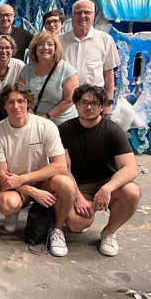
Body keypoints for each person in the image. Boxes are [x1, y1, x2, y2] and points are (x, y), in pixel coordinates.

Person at [0, 82, 75, 257]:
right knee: (7, 204)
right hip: (13, 184)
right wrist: (31, 191)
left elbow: (60, 165)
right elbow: (0, 174)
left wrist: (24, 179)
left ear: (28, 102)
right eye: (10, 102)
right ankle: (14, 211)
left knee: (65, 183)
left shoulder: (46, 126)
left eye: (20, 101)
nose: (16, 106)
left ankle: (57, 230)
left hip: (42, 181)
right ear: (3, 105)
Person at [60, 84, 140, 256]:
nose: (89, 107)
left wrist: (107, 188)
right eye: (84, 102)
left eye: (95, 103)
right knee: (76, 224)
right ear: (76, 105)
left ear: (102, 106)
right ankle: (84, 210)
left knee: (132, 192)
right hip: (80, 184)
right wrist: (79, 198)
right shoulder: (64, 130)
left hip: (107, 181)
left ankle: (109, 232)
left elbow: (131, 168)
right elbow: (64, 168)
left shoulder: (113, 131)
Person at [59, 0, 120, 117]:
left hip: (94, 101)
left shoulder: (105, 40)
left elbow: (108, 73)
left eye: (87, 12)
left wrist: (108, 103)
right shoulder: (60, 41)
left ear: (93, 15)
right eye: (78, 12)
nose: (82, 16)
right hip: (65, 101)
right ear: (72, 15)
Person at [18, 31, 78, 125]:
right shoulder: (26, 69)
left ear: (56, 48)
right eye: (40, 44)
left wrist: (46, 116)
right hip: (33, 120)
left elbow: (69, 100)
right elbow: (20, 94)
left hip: (62, 123)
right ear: (35, 48)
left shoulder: (67, 71)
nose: (45, 47)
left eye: (50, 44)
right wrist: (30, 114)